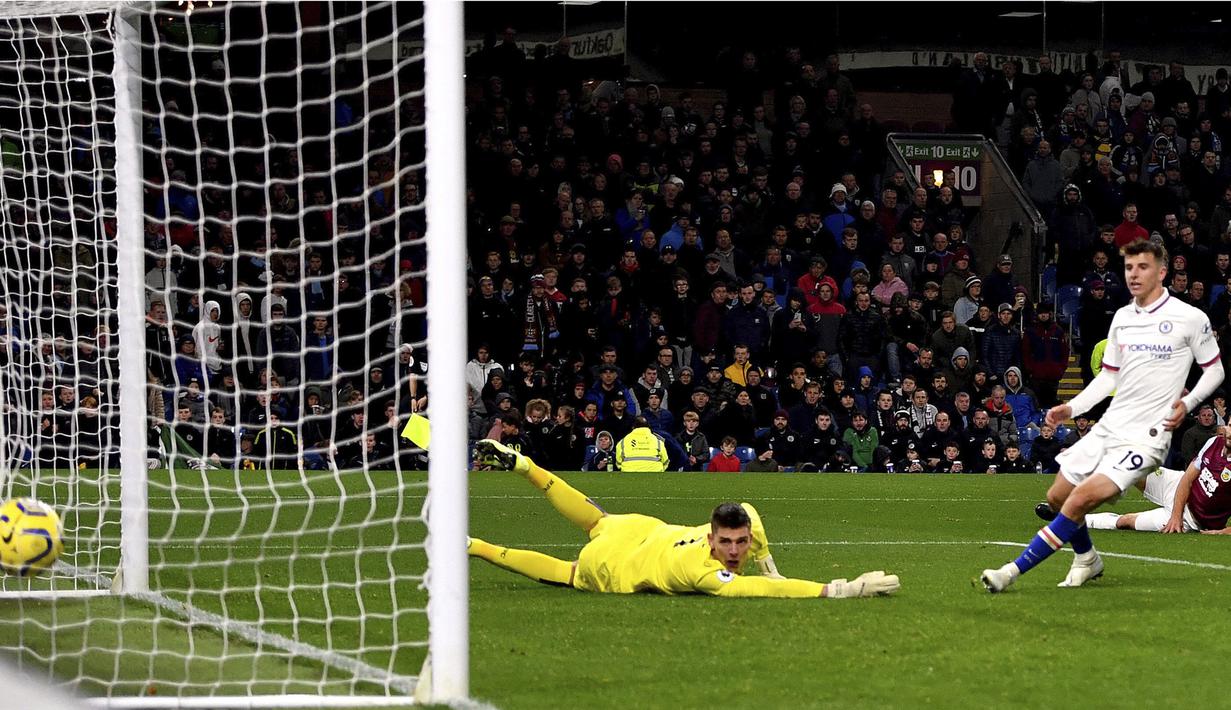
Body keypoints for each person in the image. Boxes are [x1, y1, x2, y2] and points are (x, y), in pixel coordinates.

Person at [981, 239, 1224, 593]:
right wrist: (1072, 407)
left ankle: (1010, 572)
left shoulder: (1191, 318)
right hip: (1113, 423)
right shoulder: (1123, 318)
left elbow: (1215, 372)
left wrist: (1188, 403)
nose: (1134, 275)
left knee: (1080, 500)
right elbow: (1108, 377)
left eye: (1143, 267)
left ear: (1163, 272)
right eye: (1129, 268)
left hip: (1148, 436)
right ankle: (1088, 559)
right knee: (1059, 496)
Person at [467, 439, 900, 598]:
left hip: (640, 529)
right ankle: (474, 546)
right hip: (617, 568)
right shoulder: (704, 574)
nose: (733, 552)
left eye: (740, 543)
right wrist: (840, 589)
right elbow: (762, 590)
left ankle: (527, 467)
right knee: (565, 572)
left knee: (597, 518)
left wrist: (769, 562)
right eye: (727, 544)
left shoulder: (740, 524)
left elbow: (750, 512)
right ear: (711, 541)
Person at [1085, 428, 1231, 534]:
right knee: (1131, 468)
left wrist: (1222, 532)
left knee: (1125, 521)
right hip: (1176, 484)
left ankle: (1079, 520)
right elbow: (1187, 479)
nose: (1229, 431)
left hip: (1191, 519)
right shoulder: (1214, 442)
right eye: (1230, 425)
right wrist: (1175, 515)